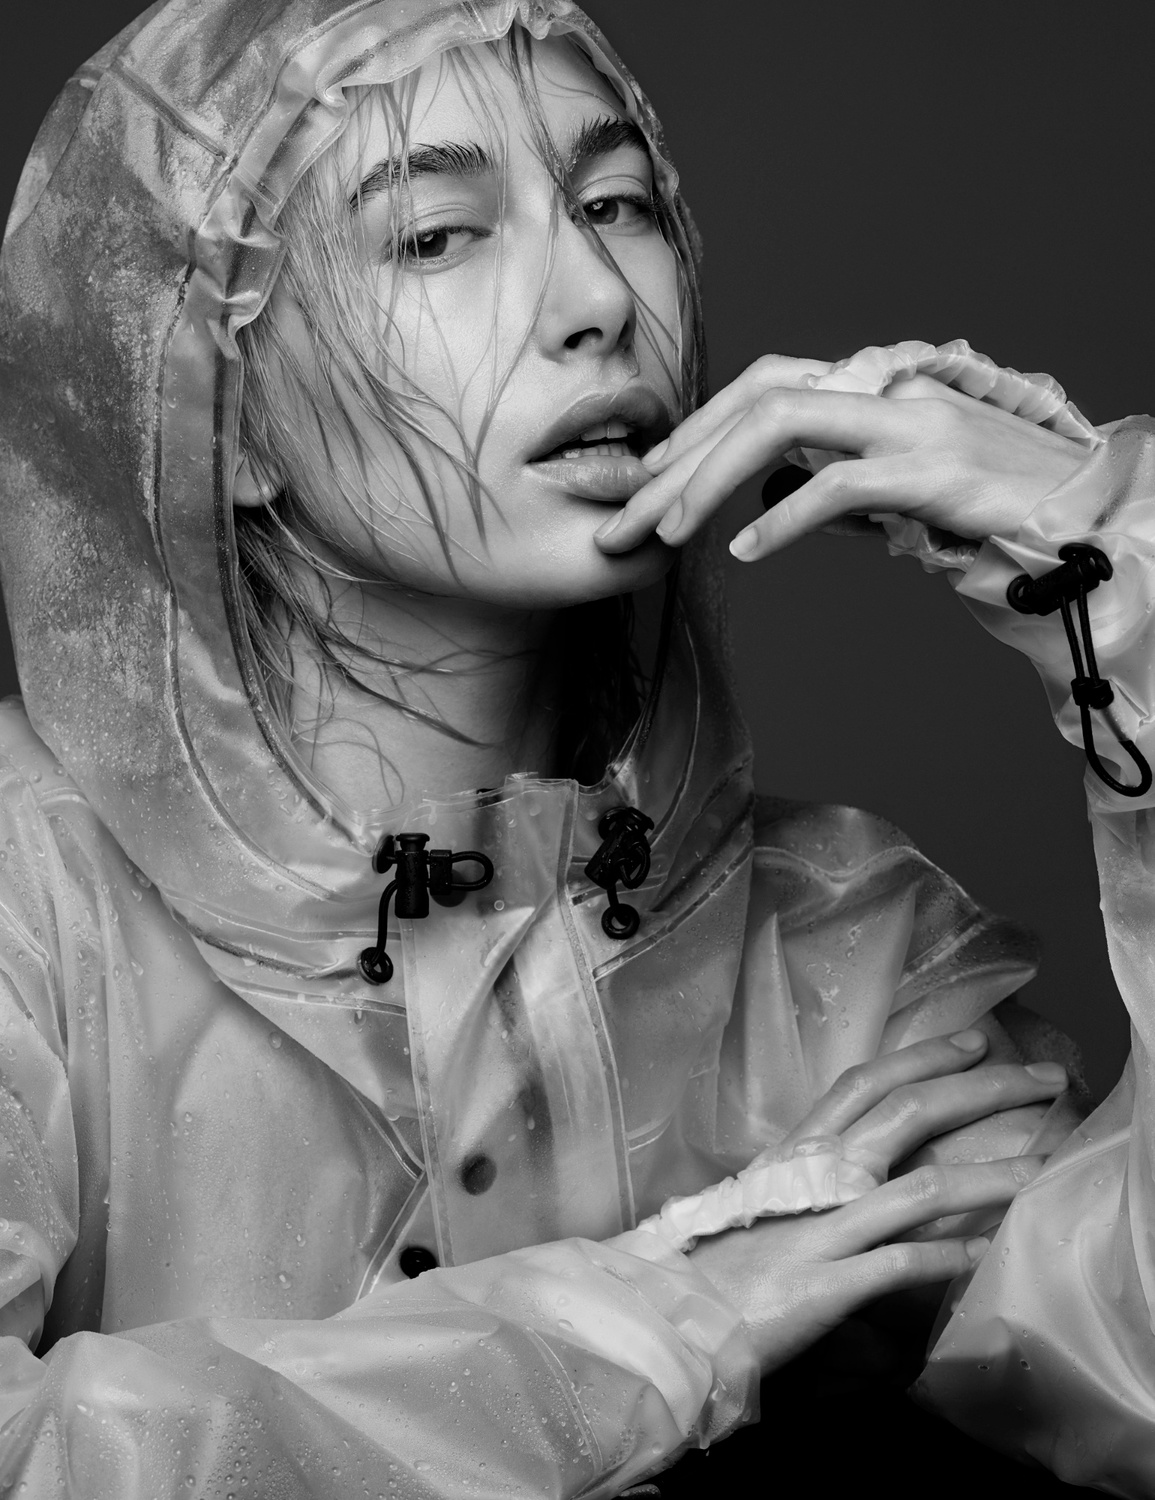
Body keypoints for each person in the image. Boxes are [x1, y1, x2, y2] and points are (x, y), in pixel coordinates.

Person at [0, 0, 1142, 1493]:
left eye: (616, 205)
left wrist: (1110, 559)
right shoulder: (30, 904)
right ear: (214, 416)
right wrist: (670, 1315)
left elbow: (1125, 1383)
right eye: (436, 236)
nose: (597, 298)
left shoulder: (840, 951)